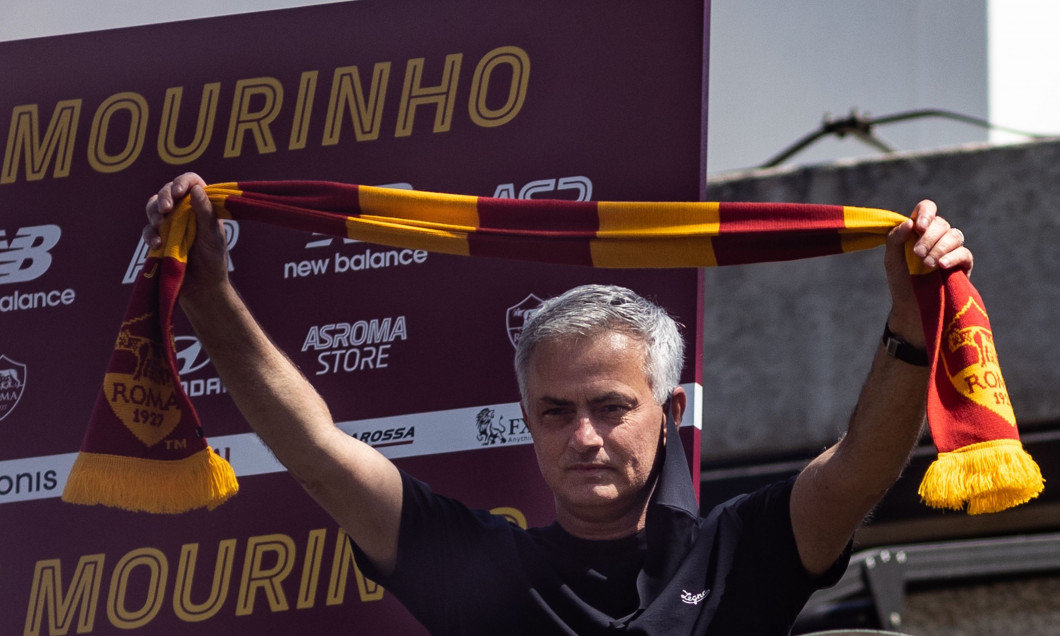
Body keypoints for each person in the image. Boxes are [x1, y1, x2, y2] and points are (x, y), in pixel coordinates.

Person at [145, 173, 972, 634]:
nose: (583, 436)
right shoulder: (480, 568)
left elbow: (864, 464)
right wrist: (210, 296)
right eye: (554, 412)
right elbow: (319, 452)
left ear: (670, 411)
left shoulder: (742, 551)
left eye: (611, 407)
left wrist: (911, 314)